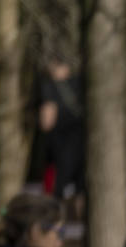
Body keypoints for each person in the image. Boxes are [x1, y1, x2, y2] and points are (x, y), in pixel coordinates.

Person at [35, 53, 85, 215]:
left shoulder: (50, 87)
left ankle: (52, 226)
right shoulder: (81, 84)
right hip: (83, 146)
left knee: (53, 193)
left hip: (59, 148)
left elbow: (46, 122)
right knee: (82, 191)